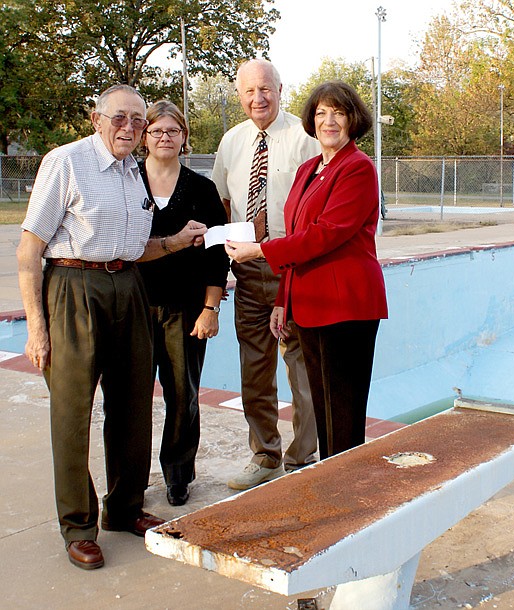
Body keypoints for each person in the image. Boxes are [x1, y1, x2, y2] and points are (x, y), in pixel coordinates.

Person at [16, 84, 206, 571]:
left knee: (133, 404)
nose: (129, 127)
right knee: (74, 411)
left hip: (128, 285)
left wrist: (176, 242)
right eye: (119, 118)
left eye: (137, 121)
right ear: (97, 119)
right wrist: (37, 328)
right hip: (73, 287)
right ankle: (78, 525)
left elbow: (137, 246)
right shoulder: (66, 162)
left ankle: (123, 508)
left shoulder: (131, 175)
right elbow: (29, 250)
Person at [225, 80, 388, 459]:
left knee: (343, 414)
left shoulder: (358, 169)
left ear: (353, 120)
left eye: (339, 113)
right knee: (323, 405)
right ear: (311, 121)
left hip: (346, 306)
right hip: (311, 303)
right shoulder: (308, 169)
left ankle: (347, 498)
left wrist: (260, 250)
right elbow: (298, 234)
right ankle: (332, 486)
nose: (329, 121)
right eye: (321, 113)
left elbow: (325, 234)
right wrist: (283, 299)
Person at [211, 58, 321, 490]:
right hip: (249, 272)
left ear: (280, 87)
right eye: (249, 91)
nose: (258, 98)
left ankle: (303, 457)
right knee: (254, 369)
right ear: (239, 96)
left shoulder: (304, 138)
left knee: (301, 369)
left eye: (266, 88)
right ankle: (265, 455)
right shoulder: (232, 142)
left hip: (293, 270)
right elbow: (222, 203)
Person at [137, 100, 229, 507]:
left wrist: (211, 308)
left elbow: (217, 256)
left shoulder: (201, 189)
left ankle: (178, 474)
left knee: (182, 394)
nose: (164, 137)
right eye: (156, 130)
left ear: (184, 138)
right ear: (144, 137)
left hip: (185, 308)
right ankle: (130, 476)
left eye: (173, 131)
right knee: (131, 396)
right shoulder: (125, 183)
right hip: (133, 306)